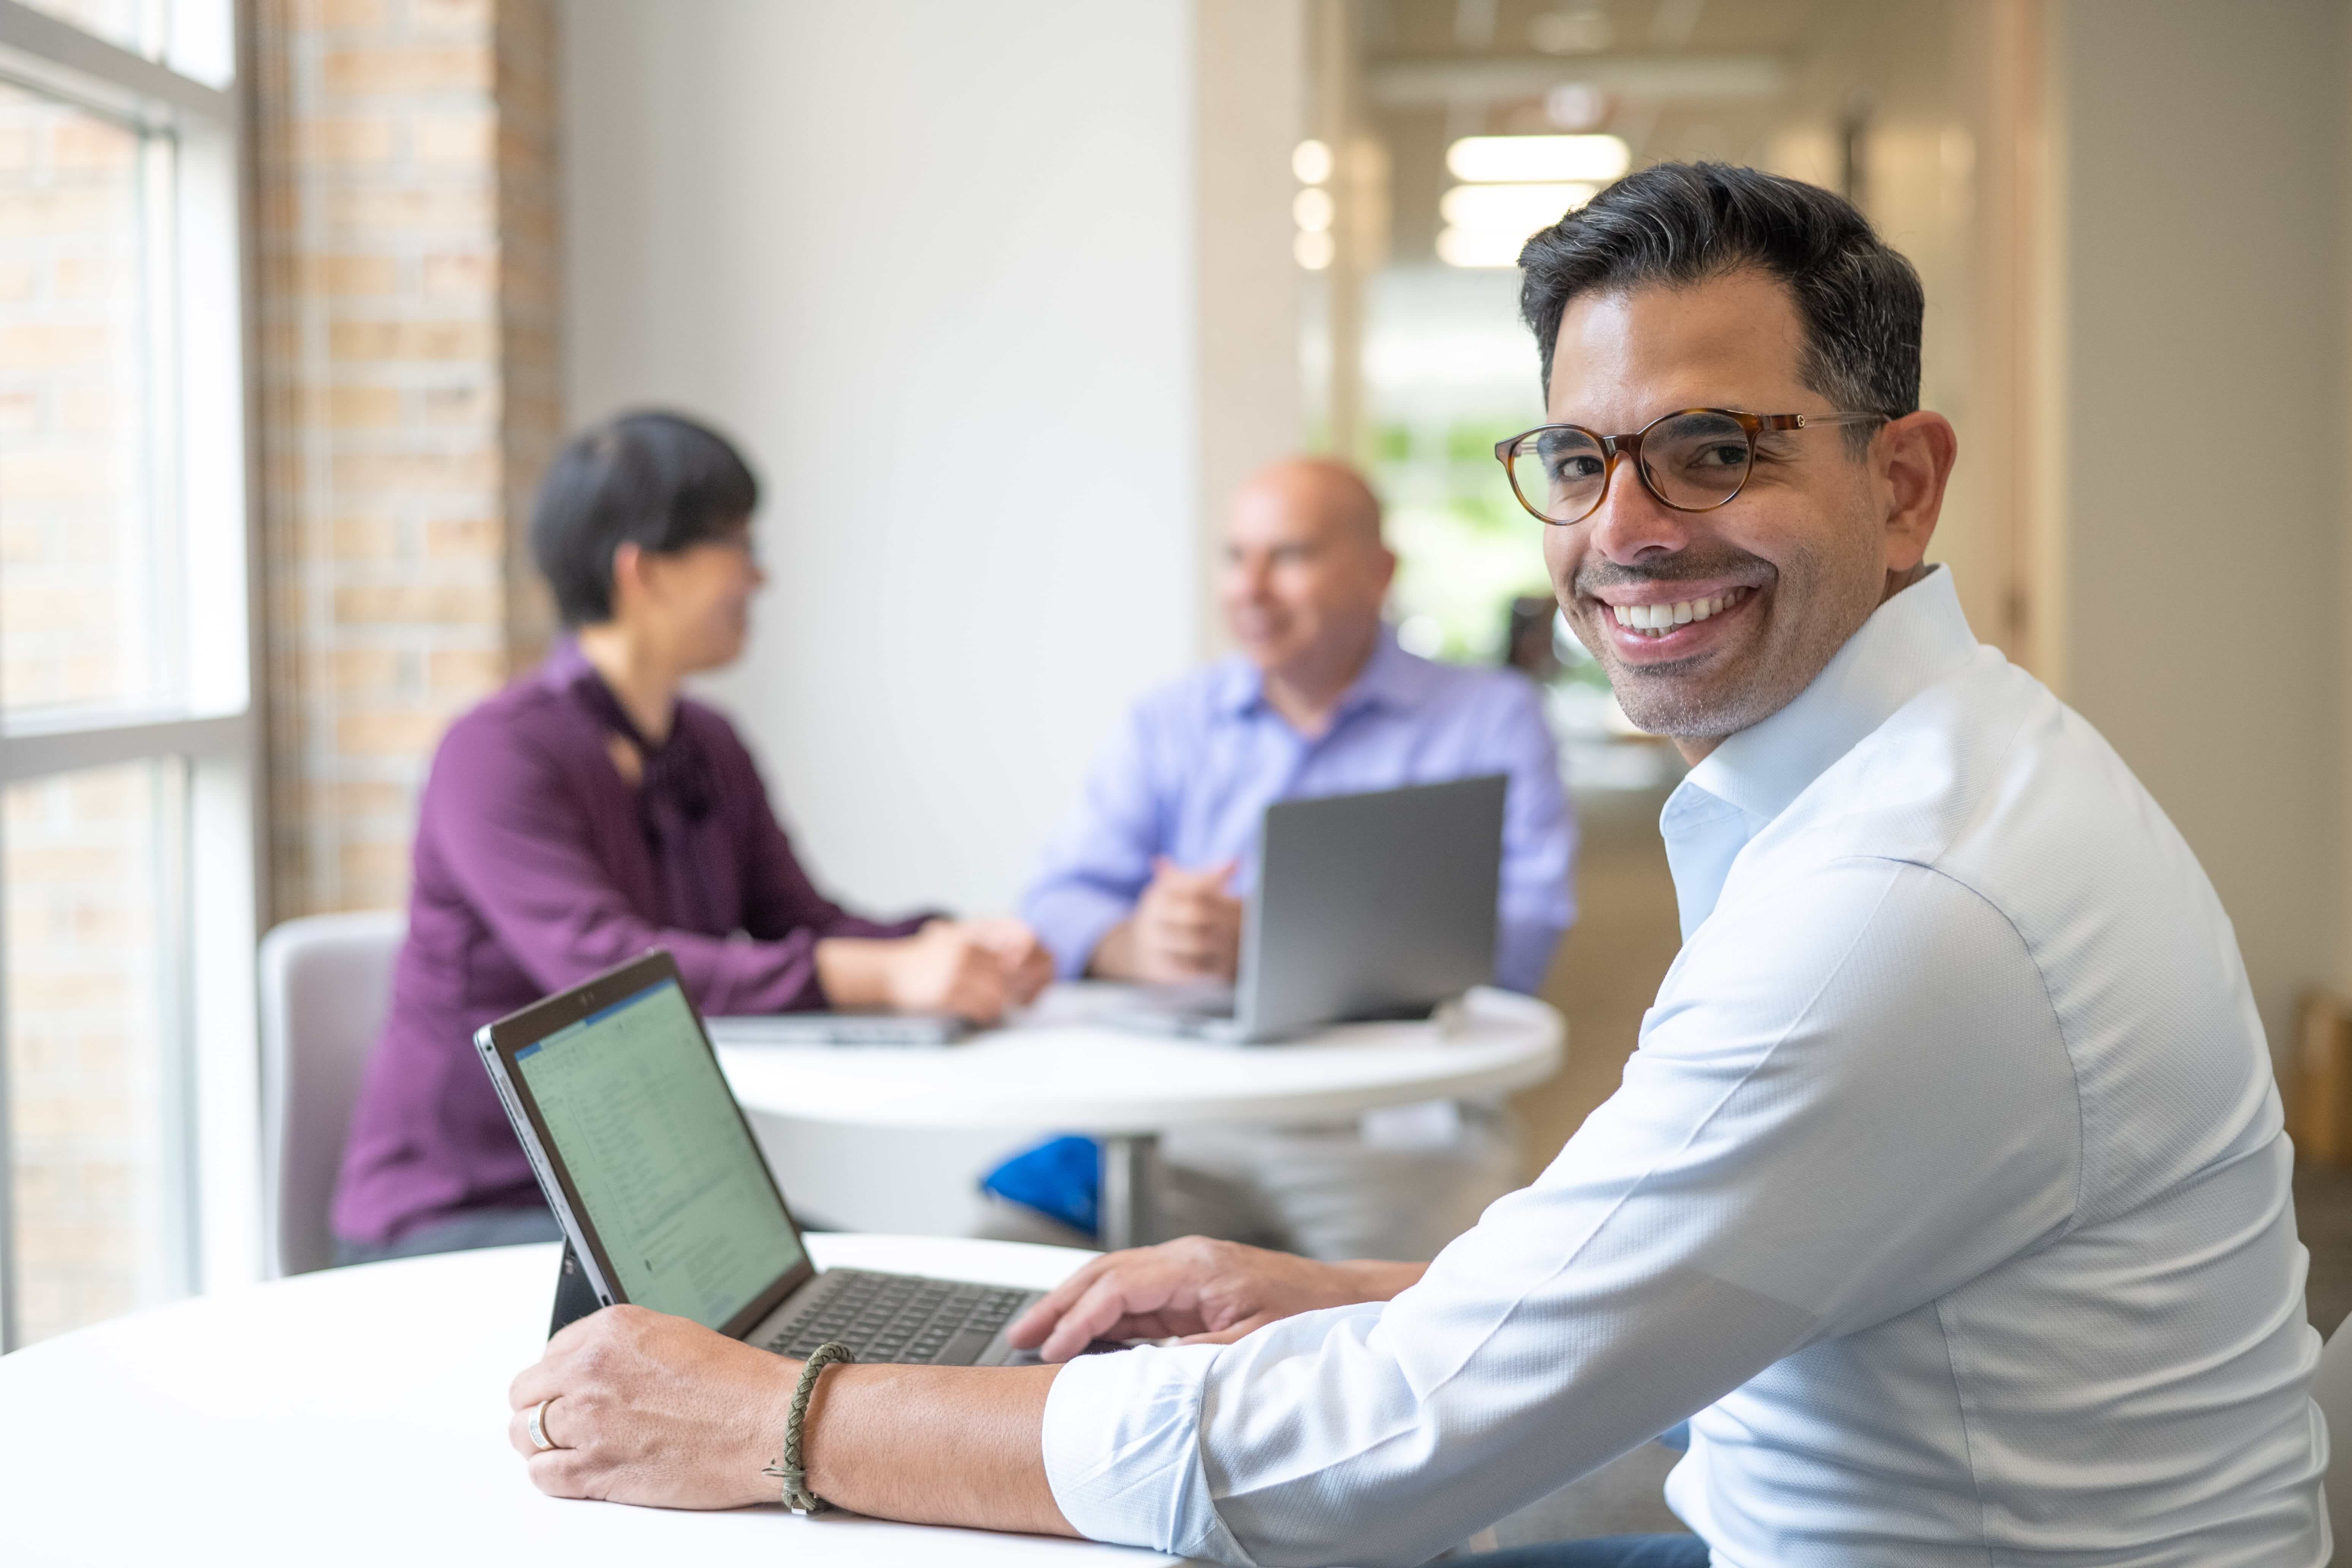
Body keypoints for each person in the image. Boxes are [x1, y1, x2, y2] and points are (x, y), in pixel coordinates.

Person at [498, 168, 2325, 1564]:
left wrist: (785, 1416)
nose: (1625, 531)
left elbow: (1383, 1452)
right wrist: (1350, 1288)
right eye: (1579, 457)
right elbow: (1703, 1262)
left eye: (1714, 450)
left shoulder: (1900, 905)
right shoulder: (1920, 783)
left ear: (1903, 482)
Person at [332, 411, 1052, 1265]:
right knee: (874, 1327)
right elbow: (606, 976)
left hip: (645, 1211)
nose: (761, 576)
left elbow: (800, 920)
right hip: (465, 1217)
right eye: (737, 546)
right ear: (644, 572)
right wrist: (893, 975)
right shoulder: (494, 754)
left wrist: (948, 943)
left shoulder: (708, 743)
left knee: (928, 1287)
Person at [1005, 456, 1577, 1260]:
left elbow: (1521, 941)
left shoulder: (1489, 720)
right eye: (1236, 557)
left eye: (1291, 556)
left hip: (1395, 1131)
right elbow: (1055, 900)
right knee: (999, 1264)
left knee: (1447, 1340)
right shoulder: (1169, 722)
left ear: (1379, 575)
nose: (1251, 588)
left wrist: (1277, 944)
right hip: (1188, 1121)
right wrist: (1138, 942)